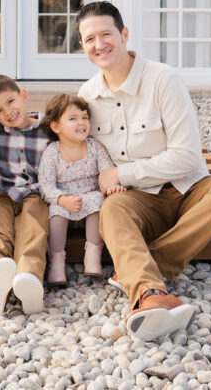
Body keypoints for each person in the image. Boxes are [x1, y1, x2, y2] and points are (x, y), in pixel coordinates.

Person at [76, 1, 211, 341]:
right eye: (89, 39)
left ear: (124, 34)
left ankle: (147, 266)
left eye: (106, 34)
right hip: (139, 201)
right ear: (82, 45)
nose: (99, 45)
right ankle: (150, 293)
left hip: (189, 191)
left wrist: (122, 175)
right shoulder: (87, 95)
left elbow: (187, 157)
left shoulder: (163, 79)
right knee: (112, 209)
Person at [0, 75, 51, 318]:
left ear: (23, 96)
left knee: (34, 228)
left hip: (35, 193)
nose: (8, 112)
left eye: (10, 101)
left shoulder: (48, 130)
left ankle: (28, 279)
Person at [37, 93, 125, 285]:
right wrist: (62, 199)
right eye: (73, 118)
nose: (81, 122)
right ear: (56, 127)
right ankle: (57, 262)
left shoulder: (95, 146)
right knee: (56, 213)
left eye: (84, 117)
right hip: (65, 199)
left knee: (98, 202)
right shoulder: (52, 152)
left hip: (90, 197)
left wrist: (112, 187)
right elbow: (46, 184)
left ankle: (92, 256)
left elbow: (107, 170)